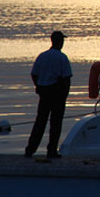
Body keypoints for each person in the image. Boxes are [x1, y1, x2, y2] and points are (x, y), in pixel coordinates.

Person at [25, 30, 72, 158]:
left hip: (44, 93)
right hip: (57, 93)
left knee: (40, 122)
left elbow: (34, 74)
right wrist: (64, 96)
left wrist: (38, 87)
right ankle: (51, 151)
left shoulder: (42, 56)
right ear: (60, 42)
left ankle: (30, 149)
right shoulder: (62, 58)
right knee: (55, 124)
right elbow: (66, 79)